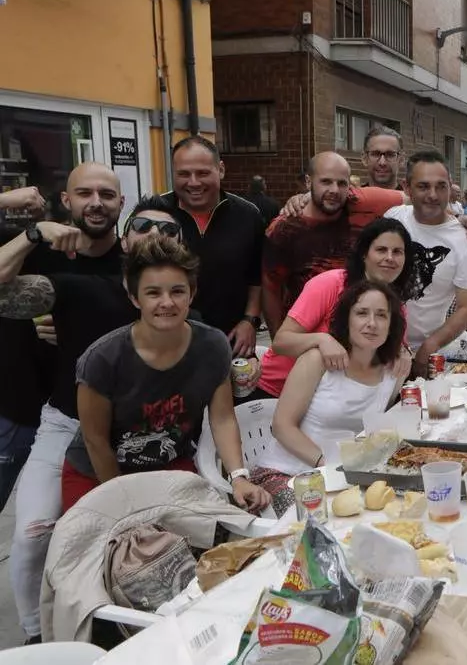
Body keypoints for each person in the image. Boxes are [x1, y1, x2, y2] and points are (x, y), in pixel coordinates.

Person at [0, 191, 190, 645]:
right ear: (125, 239)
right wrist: (32, 233)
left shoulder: (186, 310)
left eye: (167, 229)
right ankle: (38, 638)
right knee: (33, 534)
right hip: (70, 426)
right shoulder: (80, 288)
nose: (154, 233)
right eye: (142, 225)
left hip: (148, 432)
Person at [62, 237, 271, 512]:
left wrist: (238, 477)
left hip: (170, 463)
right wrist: (124, 503)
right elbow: (96, 441)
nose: (167, 302)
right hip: (97, 473)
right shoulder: (102, 359)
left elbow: (222, 418)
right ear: (134, 297)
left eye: (177, 291)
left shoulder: (213, 345)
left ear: (191, 294)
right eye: (153, 293)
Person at [0, 179, 121, 513]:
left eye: (106, 194)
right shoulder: (35, 245)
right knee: (30, 532)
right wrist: (31, 229)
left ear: (121, 203)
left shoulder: (130, 262)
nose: (96, 202)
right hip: (22, 402)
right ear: (67, 200)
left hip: (83, 413)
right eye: (85, 193)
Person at [253, 280, 406, 515]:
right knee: (322, 520)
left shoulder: (394, 371)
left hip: (345, 478)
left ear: (391, 324)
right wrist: (327, 463)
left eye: (381, 315)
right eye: (362, 313)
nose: (372, 323)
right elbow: (282, 426)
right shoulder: (316, 360)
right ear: (346, 319)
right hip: (288, 474)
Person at [254, 218, 417, 398]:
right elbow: (281, 343)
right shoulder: (330, 284)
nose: (390, 258)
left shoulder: (397, 307)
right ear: (364, 254)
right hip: (276, 393)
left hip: (332, 402)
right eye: (381, 250)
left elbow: (395, 350)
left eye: (397, 252)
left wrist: (403, 352)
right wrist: (322, 340)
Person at [261, 152, 406, 334]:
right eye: (326, 182)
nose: (335, 190)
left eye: (342, 183)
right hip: (306, 334)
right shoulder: (285, 229)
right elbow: (271, 287)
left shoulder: (360, 202)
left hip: (360, 331)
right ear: (308, 182)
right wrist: (278, 339)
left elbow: (416, 196)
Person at [161, 136, 264, 357]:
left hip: (232, 341)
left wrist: (250, 320)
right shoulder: (154, 214)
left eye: (203, 173)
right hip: (169, 342)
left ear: (221, 170)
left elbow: (257, 277)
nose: (194, 182)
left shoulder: (248, 215)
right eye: (183, 174)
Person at [383, 151, 467, 378]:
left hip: (427, 352)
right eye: (423, 186)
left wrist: (430, 346)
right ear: (407, 188)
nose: (433, 195)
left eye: (441, 186)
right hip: (380, 347)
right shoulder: (393, 218)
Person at [362, 126, 405, 191]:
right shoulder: (353, 197)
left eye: (390, 155)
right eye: (375, 154)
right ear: (364, 159)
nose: (382, 163)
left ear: (401, 160)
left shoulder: (412, 197)